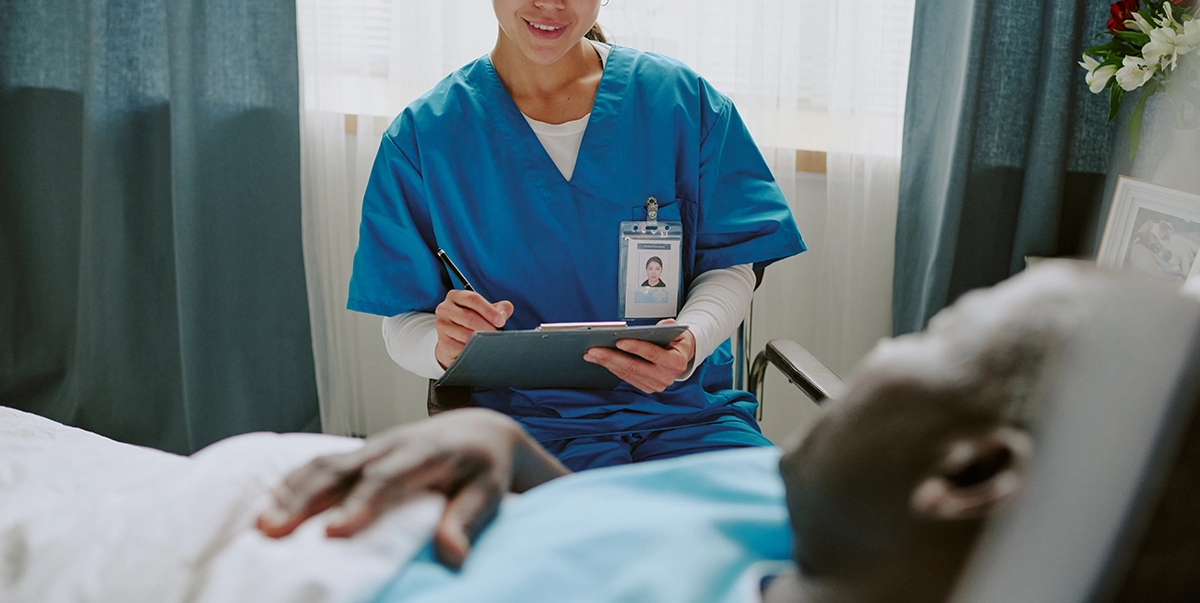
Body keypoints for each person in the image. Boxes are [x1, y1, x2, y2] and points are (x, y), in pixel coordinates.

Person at [260, 262, 1200, 602]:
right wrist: (511, 455)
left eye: (932, 334)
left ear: (972, 472)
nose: (880, 346)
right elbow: (646, 535)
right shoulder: (817, 517)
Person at [347, 0, 805, 472]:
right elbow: (402, 318)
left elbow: (734, 265)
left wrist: (690, 342)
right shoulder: (426, 137)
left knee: (773, 556)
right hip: (521, 432)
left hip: (688, 419)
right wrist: (440, 340)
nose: (551, 1)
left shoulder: (680, 104)